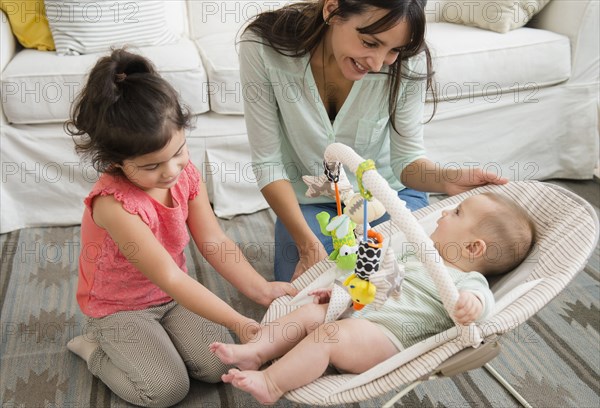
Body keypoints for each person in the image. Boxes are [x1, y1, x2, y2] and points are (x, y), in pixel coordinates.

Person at [64, 48, 296, 408]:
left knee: (218, 361)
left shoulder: (185, 175)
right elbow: (170, 276)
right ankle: (94, 348)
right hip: (119, 308)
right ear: (116, 162)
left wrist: (263, 290)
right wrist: (238, 321)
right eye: (152, 165)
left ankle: (161, 340)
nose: (171, 170)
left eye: (179, 151)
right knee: (165, 390)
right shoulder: (114, 205)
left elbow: (213, 240)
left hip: (171, 298)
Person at [239, 0, 509, 282]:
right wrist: (307, 245)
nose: (379, 63)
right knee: (305, 288)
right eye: (370, 43)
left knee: (409, 277)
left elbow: (407, 161)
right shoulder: (262, 47)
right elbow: (268, 163)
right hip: (310, 204)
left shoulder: (408, 59)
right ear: (332, 10)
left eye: (393, 50)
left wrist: (446, 179)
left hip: (388, 197)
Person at [210, 192, 536, 405]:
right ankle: (256, 350)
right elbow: (374, 280)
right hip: (363, 314)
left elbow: (483, 306)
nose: (444, 212)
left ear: (473, 247)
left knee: (329, 335)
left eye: (457, 213)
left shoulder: (467, 280)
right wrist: (345, 293)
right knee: (313, 311)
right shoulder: (413, 255)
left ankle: (271, 383)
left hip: (389, 338)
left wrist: (472, 304)